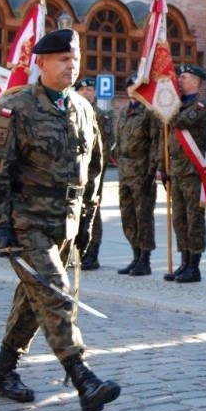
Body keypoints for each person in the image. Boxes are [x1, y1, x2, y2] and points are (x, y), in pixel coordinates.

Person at [0, 28, 119, 411]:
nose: (70, 66)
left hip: (66, 224)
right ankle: (83, 377)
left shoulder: (83, 108)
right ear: (41, 63)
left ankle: (3, 373)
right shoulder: (18, 107)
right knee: (55, 293)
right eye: (62, 59)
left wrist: (89, 219)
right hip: (27, 222)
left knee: (33, 299)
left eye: (74, 59)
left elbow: (93, 170)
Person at [164, 64, 206, 283]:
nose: (179, 81)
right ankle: (183, 263)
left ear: (195, 81)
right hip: (176, 170)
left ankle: (194, 266)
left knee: (194, 219)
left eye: (182, 77)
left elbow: (180, 121)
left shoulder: (201, 105)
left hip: (193, 170)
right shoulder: (180, 104)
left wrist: (167, 100)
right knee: (179, 219)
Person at [115, 74, 163, 276]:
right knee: (127, 216)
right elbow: (119, 142)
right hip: (125, 171)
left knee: (143, 216)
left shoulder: (150, 113)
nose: (132, 90)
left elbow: (155, 144)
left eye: (136, 86)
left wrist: (151, 172)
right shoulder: (125, 112)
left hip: (142, 171)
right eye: (129, 86)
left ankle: (145, 259)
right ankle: (135, 255)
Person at [75, 77, 115, 271]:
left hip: (92, 173)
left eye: (89, 90)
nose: (85, 93)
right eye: (81, 90)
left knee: (92, 210)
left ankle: (92, 251)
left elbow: (104, 149)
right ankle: (76, 250)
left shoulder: (101, 116)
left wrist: (93, 172)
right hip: (74, 172)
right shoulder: (71, 114)